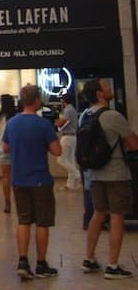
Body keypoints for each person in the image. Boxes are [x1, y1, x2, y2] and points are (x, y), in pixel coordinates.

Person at [2, 84, 62, 280]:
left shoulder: (11, 123)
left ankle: (22, 261)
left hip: (19, 178)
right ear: (36, 100)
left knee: (24, 220)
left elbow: (5, 148)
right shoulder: (43, 124)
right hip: (40, 179)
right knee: (43, 222)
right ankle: (41, 263)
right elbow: (57, 151)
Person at [80, 79, 138, 280]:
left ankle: (89, 258)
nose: (110, 89)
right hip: (116, 173)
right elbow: (133, 142)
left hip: (95, 174)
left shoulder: (84, 116)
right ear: (99, 93)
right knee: (117, 216)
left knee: (98, 213)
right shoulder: (113, 116)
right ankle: (113, 265)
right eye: (106, 87)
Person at [0, 94, 17, 213]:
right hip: (17, 148)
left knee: (6, 176)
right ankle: (20, 200)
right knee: (18, 175)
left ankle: (7, 203)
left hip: (2, 147)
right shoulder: (17, 116)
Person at [55, 92, 81, 190]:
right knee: (71, 160)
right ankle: (70, 184)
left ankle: (77, 175)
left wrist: (56, 121)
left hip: (67, 137)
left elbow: (60, 123)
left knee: (61, 159)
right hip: (73, 137)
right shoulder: (73, 109)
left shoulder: (68, 110)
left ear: (63, 100)